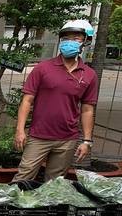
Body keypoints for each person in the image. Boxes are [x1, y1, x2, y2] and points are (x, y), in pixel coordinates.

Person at [13, 20, 99, 182]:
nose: (69, 42)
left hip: (67, 139)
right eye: (66, 38)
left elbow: (87, 109)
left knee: (55, 183)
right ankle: (11, 207)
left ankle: (45, 208)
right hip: (39, 136)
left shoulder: (89, 75)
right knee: (23, 177)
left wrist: (87, 140)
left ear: (86, 42)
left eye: (75, 38)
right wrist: (20, 130)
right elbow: (27, 100)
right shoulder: (43, 68)